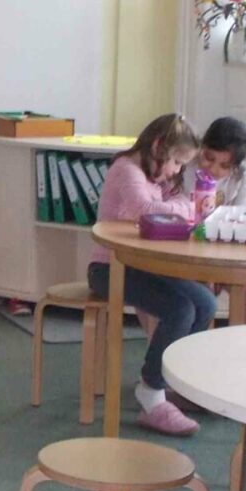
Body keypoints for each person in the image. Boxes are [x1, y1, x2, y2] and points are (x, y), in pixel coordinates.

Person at [87, 114, 212, 437]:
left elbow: (173, 203)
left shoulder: (155, 177)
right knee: (179, 309)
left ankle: (174, 382)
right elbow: (144, 209)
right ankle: (152, 392)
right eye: (176, 162)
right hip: (109, 268)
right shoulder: (126, 170)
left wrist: (183, 205)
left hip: (145, 265)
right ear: (158, 147)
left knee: (205, 304)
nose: (176, 171)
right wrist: (190, 209)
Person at [196, 116, 246, 214]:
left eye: (225, 166)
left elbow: (245, 215)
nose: (213, 169)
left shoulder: (245, 174)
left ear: (236, 166)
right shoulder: (187, 164)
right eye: (209, 158)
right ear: (202, 147)